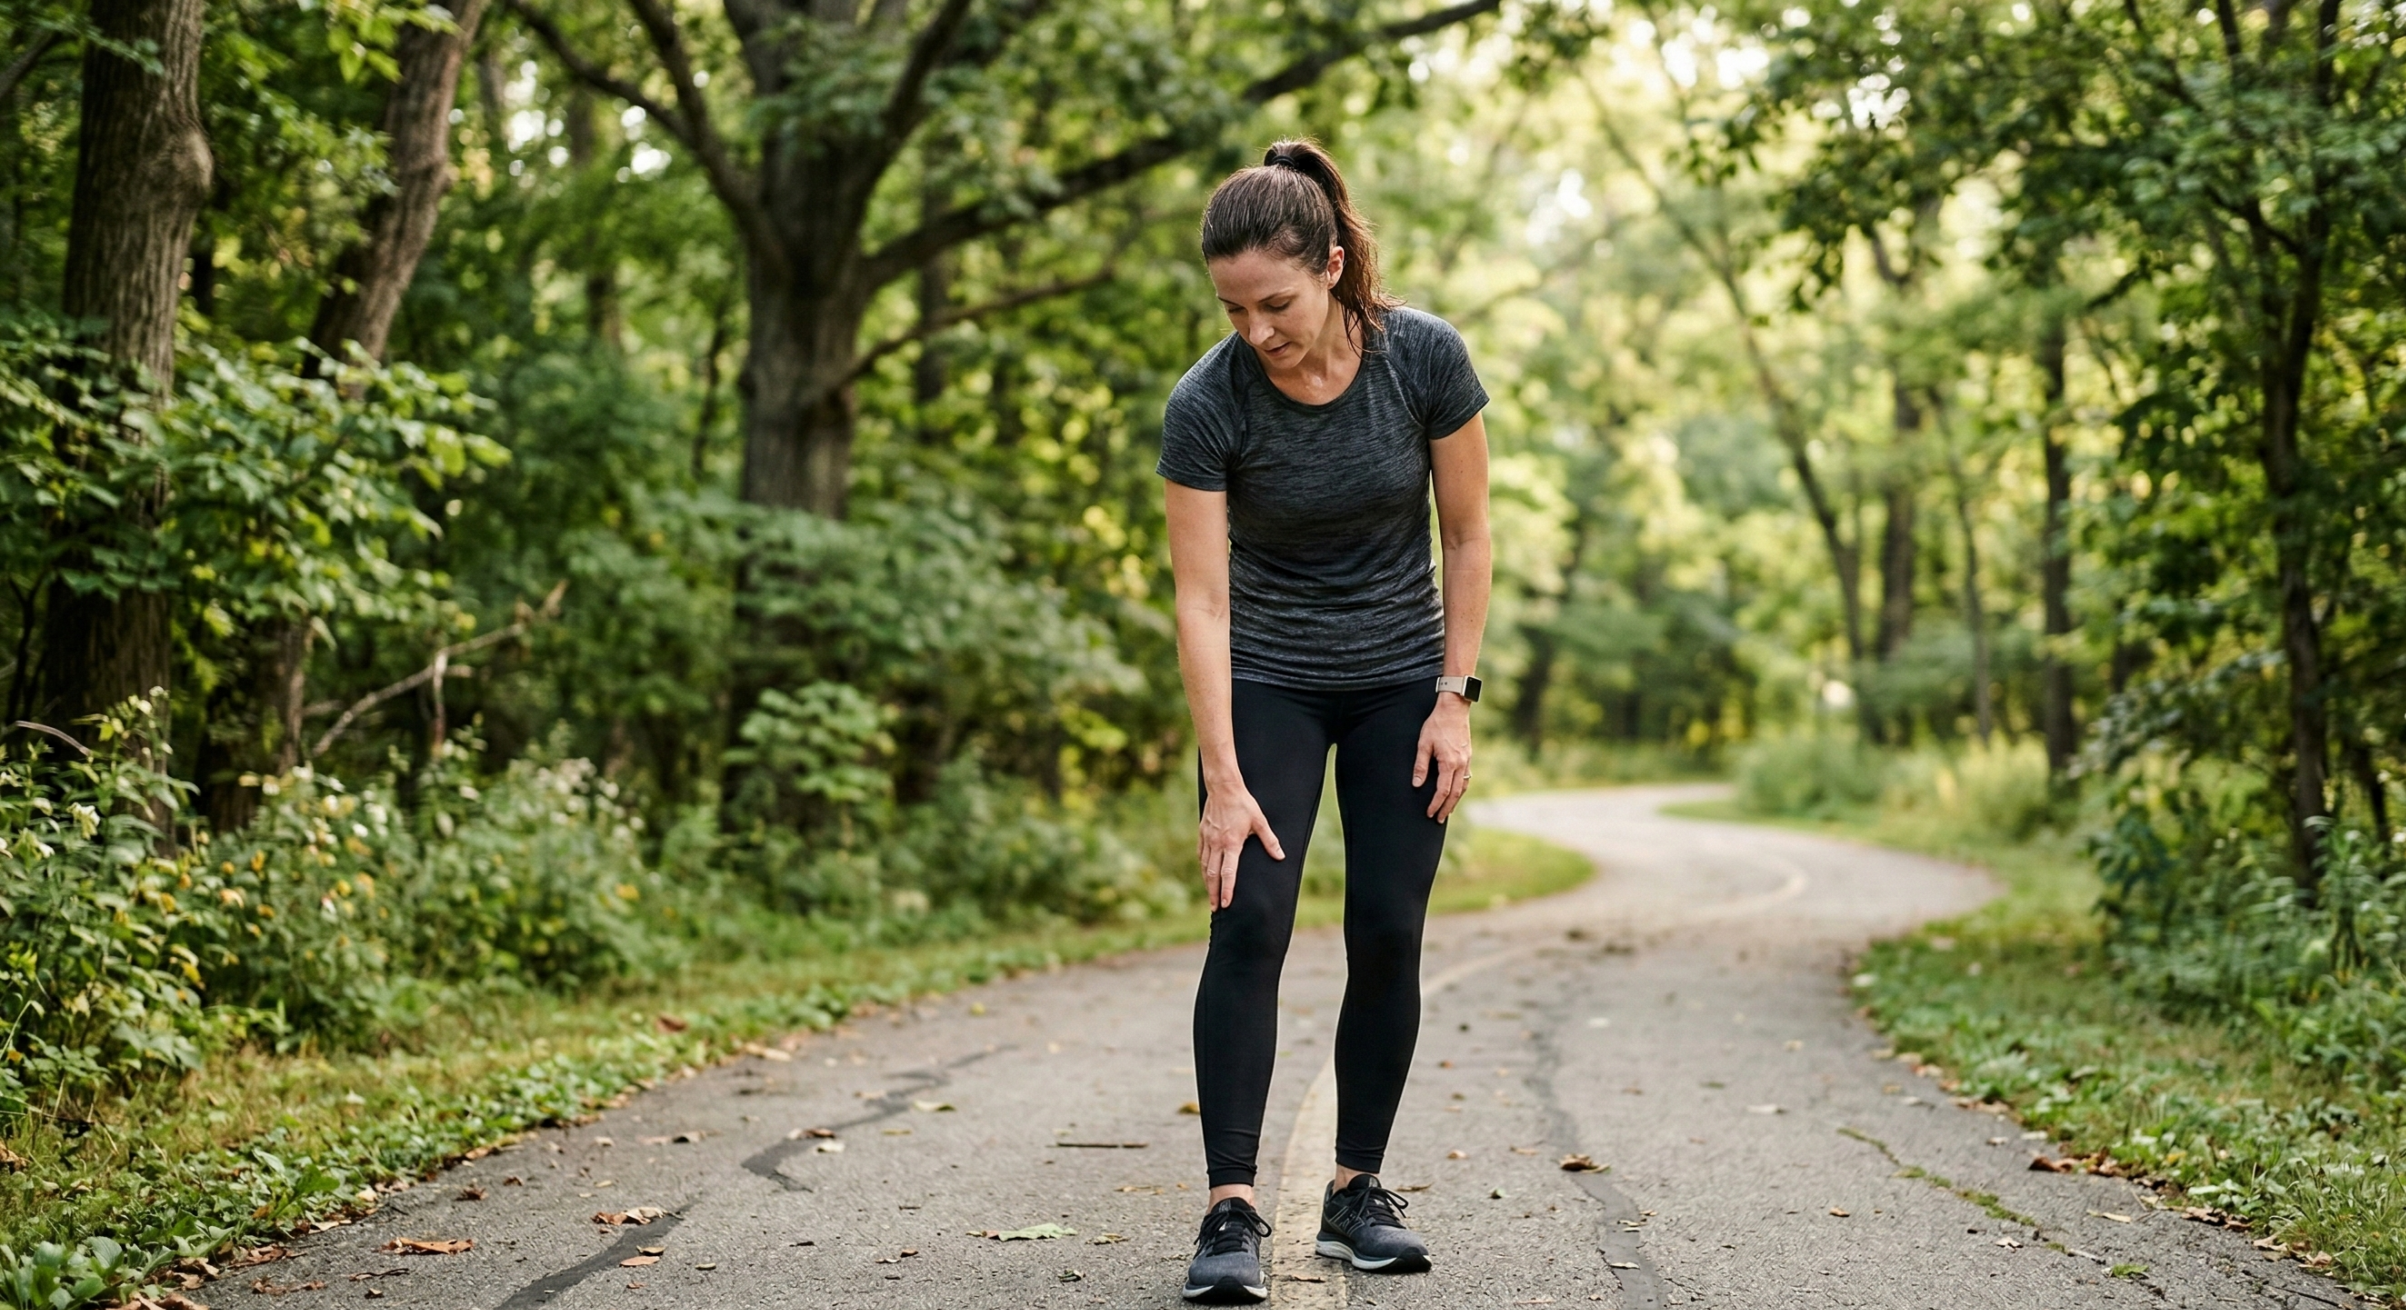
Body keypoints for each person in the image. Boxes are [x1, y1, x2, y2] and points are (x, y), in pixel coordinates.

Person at [1157, 138, 1491, 1304]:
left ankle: (1357, 1190)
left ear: (1336, 266)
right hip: (1273, 678)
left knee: (1388, 929)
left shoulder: (1426, 360)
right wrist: (1222, 773)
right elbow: (1201, 596)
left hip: (1404, 674)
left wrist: (1456, 694)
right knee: (1248, 923)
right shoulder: (1207, 402)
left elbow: (1471, 532)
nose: (1256, 330)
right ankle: (1231, 1206)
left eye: (1277, 303)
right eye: (1232, 308)